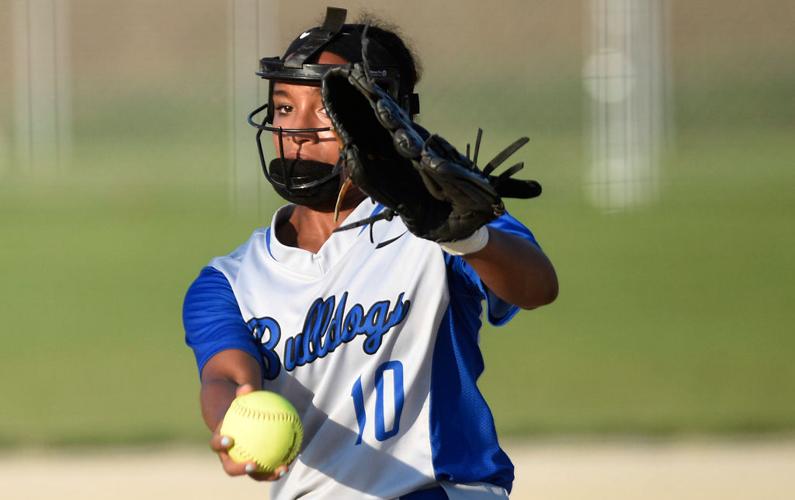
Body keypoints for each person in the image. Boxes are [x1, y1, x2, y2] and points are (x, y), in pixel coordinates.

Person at [183, 7, 558, 500]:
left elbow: (537, 288)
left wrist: (464, 237)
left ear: (383, 117)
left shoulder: (439, 215)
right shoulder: (230, 281)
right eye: (284, 107)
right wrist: (232, 423)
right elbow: (226, 375)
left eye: (326, 107)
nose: (297, 130)